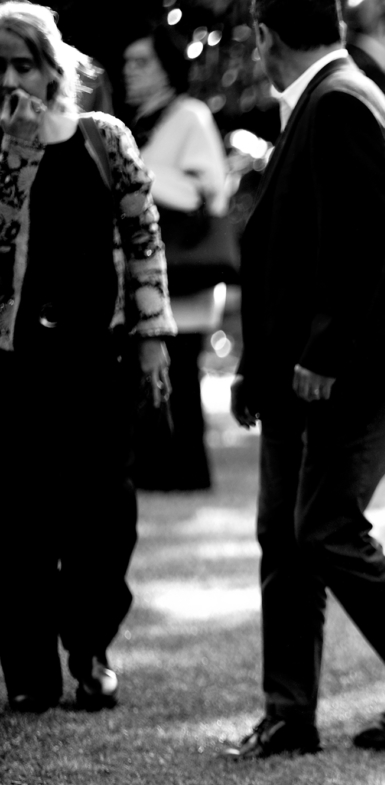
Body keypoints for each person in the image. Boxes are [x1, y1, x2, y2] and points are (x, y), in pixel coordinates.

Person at [229, 0, 385, 758]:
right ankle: (288, 714)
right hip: (297, 369)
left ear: (264, 36)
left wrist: (324, 354)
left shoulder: (341, 101)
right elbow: (291, 251)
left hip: (349, 368)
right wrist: (255, 367)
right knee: (284, 533)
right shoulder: (326, 98)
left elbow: (362, 241)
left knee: (326, 527)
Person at [0, 2, 174, 713]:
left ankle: (90, 643)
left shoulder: (106, 137)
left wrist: (154, 336)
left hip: (100, 356)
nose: (10, 79)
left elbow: (144, 238)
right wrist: (15, 150)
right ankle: (30, 670)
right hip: (16, 362)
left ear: (53, 67)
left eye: (23, 65)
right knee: (20, 516)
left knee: (105, 515)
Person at [122, 23, 229, 492]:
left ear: (167, 66)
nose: (131, 71)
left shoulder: (189, 115)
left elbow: (207, 192)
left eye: (142, 62)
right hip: (153, 281)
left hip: (185, 276)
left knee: (180, 376)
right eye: (128, 63)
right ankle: (156, 469)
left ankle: (184, 473)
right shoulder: (142, 119)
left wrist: (138, 173)